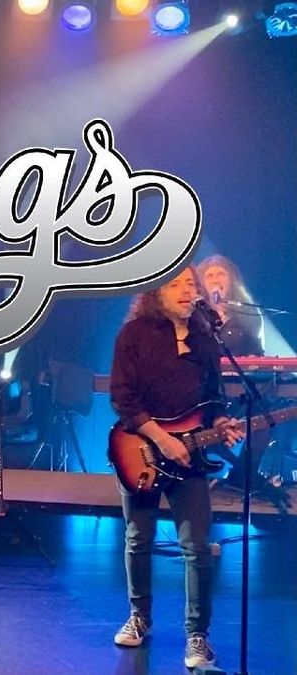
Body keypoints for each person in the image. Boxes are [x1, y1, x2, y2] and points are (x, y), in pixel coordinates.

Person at [108, 266, 244, 670]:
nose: (187, 290)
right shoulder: (134, 334)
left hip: (190, 458)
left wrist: (221, 422)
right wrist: (162, 439)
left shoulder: (206, 338)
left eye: (191, 284)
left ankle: (198, 636)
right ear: (156, 293)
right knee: (139, 538)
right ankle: (140, 616)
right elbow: (123, 398)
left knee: (197, 546)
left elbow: (213, 398)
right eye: (176, 284)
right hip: (140, 450)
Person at [197, 254, 263, 356]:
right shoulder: (196, 313)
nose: (215, 280)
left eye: (221, 274)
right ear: (202, 283)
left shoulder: (247, 312)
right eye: (209, 276)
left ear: (231, 280)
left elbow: (255, 348)